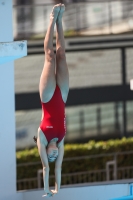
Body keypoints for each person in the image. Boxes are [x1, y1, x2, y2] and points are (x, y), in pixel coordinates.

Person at [33, 3, 69, 197]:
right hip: (62, 96)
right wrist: (59, 189)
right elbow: (58, 168)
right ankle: (60, 22)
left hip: (47, 97)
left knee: (50, 57)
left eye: (50, 155)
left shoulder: (43, 137)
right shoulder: (61, 140)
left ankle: (51, 20)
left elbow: (48, 169)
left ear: (46, 150)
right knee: (61, 55)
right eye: (56, 156)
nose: (54, 155)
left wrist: (48, 189)